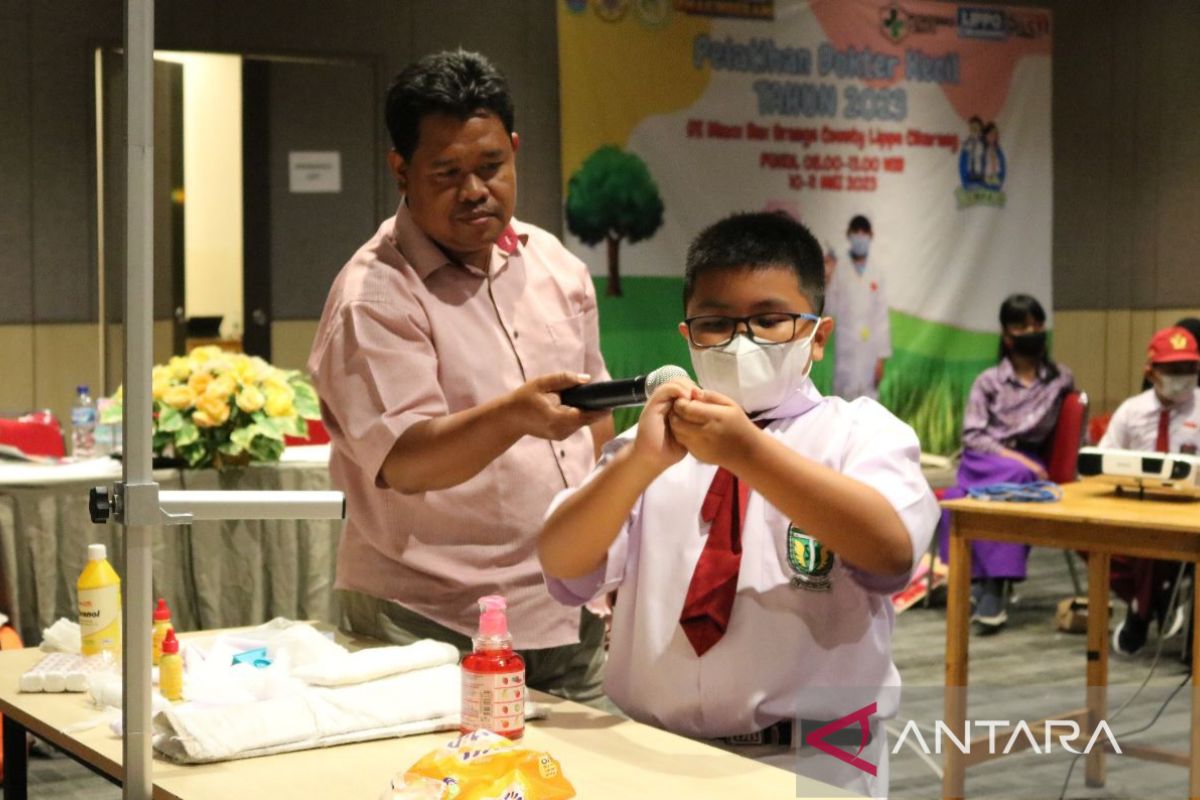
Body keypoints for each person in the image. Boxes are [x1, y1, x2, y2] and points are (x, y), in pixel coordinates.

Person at [538, 211, 938, 797]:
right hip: (652, 749)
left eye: (769, 320)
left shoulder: (862, 435)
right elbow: (561, 561)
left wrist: (748, 453)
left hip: (815, 759)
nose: (740, 341)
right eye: (716, 324)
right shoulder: (647, 446)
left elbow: (888, 553)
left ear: (817, 336)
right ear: (688, 336)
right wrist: (637, 465)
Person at [307, 50, 614, 702]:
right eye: (446, 172)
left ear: (515, 150)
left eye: (491, 167)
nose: (474, 190)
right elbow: (406, 460)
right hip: (430, 617)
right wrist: (514, 416)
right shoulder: (375, 295)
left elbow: (594, 415)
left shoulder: (555, 265)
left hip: (568, 603)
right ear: (401, 171)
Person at [937, 294, 1074, 633]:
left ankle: (990, 588)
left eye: (1036, 324)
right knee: (1011, 476)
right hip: (986, 459)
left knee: (1006, 483)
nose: (1031, 331)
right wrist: (1012, 457)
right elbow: (973, 434)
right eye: (1022, 325)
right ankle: (992, 586)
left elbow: (1070, 432)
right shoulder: (988, 381)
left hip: (1031, 460)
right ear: (1007, 335)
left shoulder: (1061, 380)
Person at [1101, 326, 1200, 655]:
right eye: (1173, 370)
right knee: (1099, 541)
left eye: (1189, 369)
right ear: (1151, 372)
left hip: (1191, 515)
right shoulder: (1131, 411)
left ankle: (1141, 613)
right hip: (1139, 510)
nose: (1182, 378)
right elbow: (1103, 460)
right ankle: (1157, 601)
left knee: (1159, 544)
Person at [825, 214, 891, 400]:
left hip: (870, 353)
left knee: (869, 409)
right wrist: (827, 276)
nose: (860, 236)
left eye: (864, 232)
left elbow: (881, 319)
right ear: (848, 234)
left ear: (871, 235)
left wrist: (880, 360)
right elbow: (829, 308)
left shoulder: (877, 272)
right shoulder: (839, 269)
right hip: (846, 349)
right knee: (843, 406)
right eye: (856, 232)